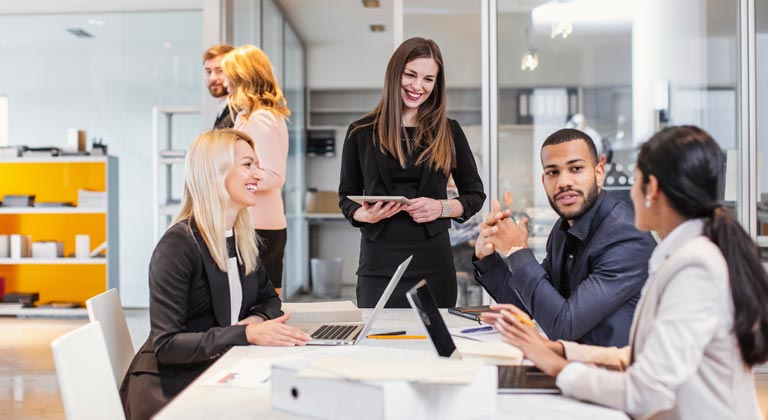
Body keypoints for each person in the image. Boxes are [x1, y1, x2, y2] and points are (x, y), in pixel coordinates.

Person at [484, 125, 768, 420]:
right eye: (553, 172)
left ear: (652, 188)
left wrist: (561, 368)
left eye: (635, 181)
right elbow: (638, 356)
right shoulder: (679, 255)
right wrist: (558, 351)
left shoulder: (693, 266)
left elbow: (648, 391)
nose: (628, 194)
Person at [119, 130, 311, 420]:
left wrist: (254, 323)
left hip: (215, 370)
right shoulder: (178, 245)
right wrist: (245, 332)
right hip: (168, 390)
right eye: (248, 164)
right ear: (215, 172)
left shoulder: (241, 238)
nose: (259, 174)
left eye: (257, 165)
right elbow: (167, 345)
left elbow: (270, 300)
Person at [338, 37, 485, 308]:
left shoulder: (449, 132)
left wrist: (441, 208)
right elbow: (346, 198)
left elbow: (475, 195)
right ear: (395, 74)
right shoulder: (360, 132)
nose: (418, 86)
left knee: (433, 345)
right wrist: (364, 214)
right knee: (378, 345)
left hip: (433, 263)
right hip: (378, 264)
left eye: (428, 79)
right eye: (410, 75)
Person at [473, 128, 655, 346]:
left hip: (616, 373)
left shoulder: (626, 237)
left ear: (599, 173)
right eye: (553, 172)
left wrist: (517, 251)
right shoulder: (562, 230)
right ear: (543, 181)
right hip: (575, 365)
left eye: (576, 169)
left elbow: (564, 326)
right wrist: (488, 258)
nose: (563, 182)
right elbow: (529, 307)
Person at [221, 45, 290, 296]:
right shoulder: (250, 115)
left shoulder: (260, 118)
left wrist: (228, 182)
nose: (223, 81)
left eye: (226, 73)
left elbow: (274, 175)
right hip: (256, 223)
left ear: (241, 77)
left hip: (260, 225)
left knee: (263, 302)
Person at [203, 43, 235, 129]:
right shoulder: (223, 108)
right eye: (209, 72)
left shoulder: (240, 112)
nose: (212, 78)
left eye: (220, 71)